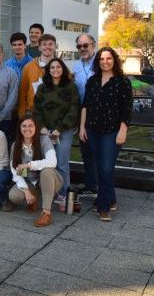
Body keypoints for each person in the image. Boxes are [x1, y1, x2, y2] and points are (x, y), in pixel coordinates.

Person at [79, 47, 132, 222]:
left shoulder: (122, 82)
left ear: (114, 60)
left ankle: (103, 207)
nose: (105, 62)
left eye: (108, 58)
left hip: (112, 131)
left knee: (106, 168)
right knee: (98, 165)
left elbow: (127, 110)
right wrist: (82, 127)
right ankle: (111, 199)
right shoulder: (93, 81)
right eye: (101, 59)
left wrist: (123, 131)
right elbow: (85, 105)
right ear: (98, 61)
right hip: (92, 129)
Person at [33, 57, 79, 210]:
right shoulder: (42, 88)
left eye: (58, 67)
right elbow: (36, 110)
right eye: (52, 68)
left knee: (62, 163)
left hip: (63, 131)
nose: (55, 70)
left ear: (63, 68)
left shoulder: (71, 87)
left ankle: (64, 194)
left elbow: (74, 110)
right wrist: (42, 128)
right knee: (47, 162)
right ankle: (50, 192)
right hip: (46, 131)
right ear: (48, 70)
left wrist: (60, 129)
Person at [8, 116, 61, 227]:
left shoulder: (44, 140)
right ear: (19, 128)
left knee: (46, 171)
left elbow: (52, 162)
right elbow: (15, 171)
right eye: (24, 126)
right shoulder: (15, 145)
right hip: (31, 182)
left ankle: (46, 213)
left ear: (36, 128)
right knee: (14, 195)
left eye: (31, 126)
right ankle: (33, 198)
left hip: (51, 180)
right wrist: (26, 191)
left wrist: (29, 165)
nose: (27, 129)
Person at [72, 34, 97, 198]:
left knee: (99, 153)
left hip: (99, 114)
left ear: (93, 45)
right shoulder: (75, 66)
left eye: (85, 45)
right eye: (79, 46)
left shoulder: (101, 62)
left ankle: (102, 190)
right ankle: (90, 186)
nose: (82, 49)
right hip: (82, 113)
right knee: (86, 152)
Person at [18, 34, 57, 118]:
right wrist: (21, 114)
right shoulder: (28, 67)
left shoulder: (62, 68)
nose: (47, 47)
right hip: (32, 112)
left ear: (55, 46)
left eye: (50, 44)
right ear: (39, 47)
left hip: (55, 112)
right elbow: (23, 92)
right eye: (44, 44)